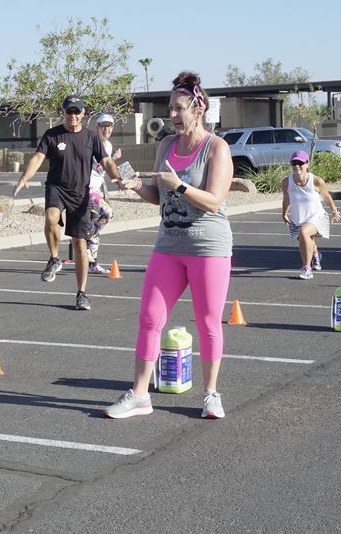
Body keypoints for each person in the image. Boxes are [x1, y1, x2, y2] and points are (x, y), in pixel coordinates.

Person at [105, 71, 234, 419]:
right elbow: (158, 196)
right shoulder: (165, 146)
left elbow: (213, 200)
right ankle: (139, 395)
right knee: (149, 318)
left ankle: (210, 394)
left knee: (208, 322)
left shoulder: (216, 148)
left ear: (199, 107)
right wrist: (136, 187)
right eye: (170, 109)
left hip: (209, 247)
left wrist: (177, 185)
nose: (173, 115)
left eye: (179, 108)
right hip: (169, 246)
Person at [13, 95, 122, 311]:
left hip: (81, 194)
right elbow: (37, 158)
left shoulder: (91, 138)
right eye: (69, 111)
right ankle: (54, 258)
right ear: (63, 113)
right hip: (57, 188)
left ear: (83, 114)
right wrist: (25, 177)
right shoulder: (52, 135)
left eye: (76, 111)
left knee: (80, 243)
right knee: (51, 217)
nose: (73, 115)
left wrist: (116, 176)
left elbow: (107, 160)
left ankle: (81, 294)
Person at [281, 150, 341, 279]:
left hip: (317, 217)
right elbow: (286, 198)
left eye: (300, 163)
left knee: (304, 232)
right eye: (293, 163)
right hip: (298, 218)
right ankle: (315, 255)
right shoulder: (286, 182)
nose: (297, 166)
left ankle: (307, 269)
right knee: (305, 239)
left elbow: (326, 196)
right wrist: (284, 213)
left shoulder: (316, 181)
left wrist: (334, 211)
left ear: (307, 164)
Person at [87, 113, 122, 274]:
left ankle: (92, 264)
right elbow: (101, 167)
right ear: (97, 128)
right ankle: (83, 240)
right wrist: (113, 159)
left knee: (96, 224)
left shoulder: (108, 145)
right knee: (107, 213)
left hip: (96, 190)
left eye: (109, 126)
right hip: (86, 189)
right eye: (103, 126)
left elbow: (102, 172)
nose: (106, 129)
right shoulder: (91, 144)